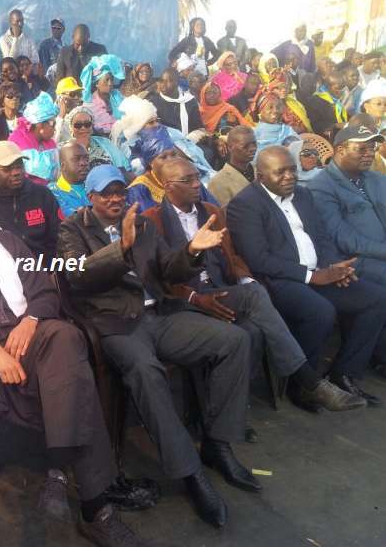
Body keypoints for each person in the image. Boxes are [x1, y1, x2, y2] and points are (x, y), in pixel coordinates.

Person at [0, 172, 143, 546]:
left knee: (65, 335)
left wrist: (31, 321)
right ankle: (94, 505)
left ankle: (59, 467)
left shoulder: (5, 240)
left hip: (30, 335)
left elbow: (43, 290)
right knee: (72, 380)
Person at [57, 164, 255, 528]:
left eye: (120, 190)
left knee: (235, 340)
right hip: (117, 326)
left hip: (160, 315)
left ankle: (218, 443)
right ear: (91, 197)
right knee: (147, 373)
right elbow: (77, 276)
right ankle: (190, 472)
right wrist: (122, 247)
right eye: (107, 193)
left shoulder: (144, 223)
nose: (116, 198)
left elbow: (169, 268)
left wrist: (192, 250)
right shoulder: (72, 229)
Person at [143, 157, 364, 411]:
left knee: (254, 312)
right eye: (188, 180)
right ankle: (308, 382)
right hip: (186, 298)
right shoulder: (152, 219)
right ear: (167, 185)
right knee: (250, 326)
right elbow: (159, 278)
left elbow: (233, 257)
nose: (196, 184)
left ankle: (234, 405)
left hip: (220, 288)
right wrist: (195, 298)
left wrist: (246, 278)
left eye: (196, 177)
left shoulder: (212, 212)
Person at [227, 146, 386, 407]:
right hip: (279, 280)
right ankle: (303, 385)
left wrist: (334, 268)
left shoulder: (302, 194)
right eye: (280, 172)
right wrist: (313, 277)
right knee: (320, 311)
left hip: (319, 272)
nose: (289, 176)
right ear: (261, 175)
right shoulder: (245, 205)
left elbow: (321, 237)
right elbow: (259, 260)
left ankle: (343, 373)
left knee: (376, 298)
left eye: (292, 169)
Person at [307, 125, 386, 286]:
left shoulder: (376, 178)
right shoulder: (321, 186)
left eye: (372, 148)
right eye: (362, 149)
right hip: (357, 260)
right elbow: (343, 238)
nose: (370, 153)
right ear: (341, 150)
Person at [0, 141, 61, 258]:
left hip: (43, 265)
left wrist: (49, 267)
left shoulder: (42, 193)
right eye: (7, 169)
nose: (16, 172)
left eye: (19, 166)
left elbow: (57, 235)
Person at [127, 125, 218, 211]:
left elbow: (213, 209)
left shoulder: (190, 177)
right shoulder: (139, 190)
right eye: (163, 157)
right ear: (150, 163)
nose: (171, 160)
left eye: (174, 154)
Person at [8, 92, 60, 185]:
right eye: (52, 123)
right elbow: (41, 168)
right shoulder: (18, 139)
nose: (55, 128)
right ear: (40, 124)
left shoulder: (48, 141)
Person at [64, 105, 129, 170]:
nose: (83, 128)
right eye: (78, 125)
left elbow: (123, 165)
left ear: (92, 125)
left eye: (87, 124)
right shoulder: (64, 149)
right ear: (71, 127)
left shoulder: (104, 142)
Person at [208, 126, 257, 205]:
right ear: (230, 147)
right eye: (245, 145)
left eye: (254, 144)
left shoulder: (261, 170)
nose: (252, 148)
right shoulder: (218, 183)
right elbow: (224, 214)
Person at [147, 68, 203, 136]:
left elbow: (197, 126)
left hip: (188, 142)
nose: (163, 84)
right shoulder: (154, 102)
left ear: (176, 82)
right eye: (162, 81)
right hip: (164, 143)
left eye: (169, 81)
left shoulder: (190, 101)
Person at [80, 54, 125, 135]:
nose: (110, 83)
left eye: (112, 79)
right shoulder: (89, 104)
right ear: (97, 83)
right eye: (106, 80)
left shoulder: (116, 95)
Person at [49, 140, 92, 216]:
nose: (84, 163)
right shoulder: (52, 193)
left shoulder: (96, 187)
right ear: (63, 166)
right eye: (76, 159)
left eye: (86, 159)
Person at [304, 71, 349, 139]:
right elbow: (314, 125)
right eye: (337, 88)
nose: (340, 91)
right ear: (327, 86)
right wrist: (335, 125)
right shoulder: (315, 101)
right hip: (322, 140)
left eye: (343, 88)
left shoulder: (336, 101)